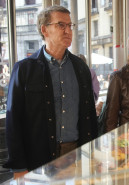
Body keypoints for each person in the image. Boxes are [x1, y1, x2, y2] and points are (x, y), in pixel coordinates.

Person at [3, 5, 98, 178]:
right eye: (61, 25)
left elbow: (89, 115)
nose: (68, 30)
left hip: (75, 154)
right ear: (44, 30)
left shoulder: (81, 68)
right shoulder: (24, 69)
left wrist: (92, 155)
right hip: (39, 156)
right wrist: (18, 167)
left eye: (70, 25)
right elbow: (13, 121)